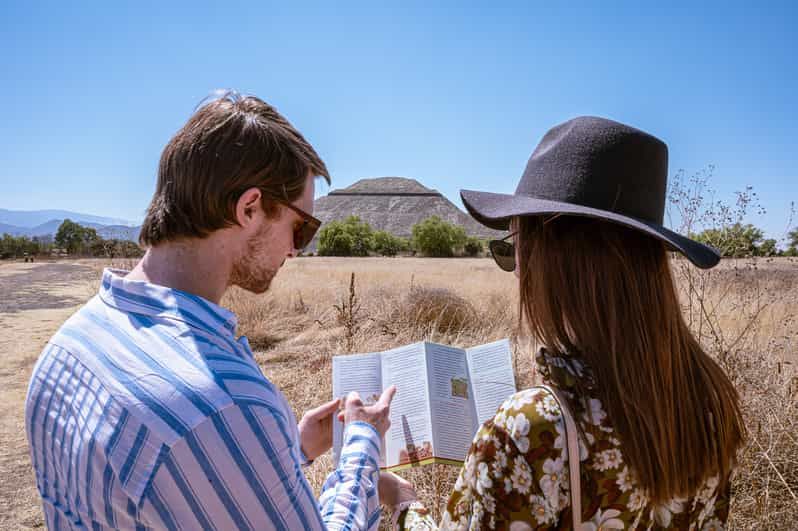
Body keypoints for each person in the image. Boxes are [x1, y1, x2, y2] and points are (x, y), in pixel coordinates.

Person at [24, 91, 398, 530]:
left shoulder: (70, 343)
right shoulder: (224, 405)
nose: (297, 251)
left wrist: (285, 450)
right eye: (302, 228)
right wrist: (361, 444)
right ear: (250, 208)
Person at [386, 116, 745, 529]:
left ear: (555, 259)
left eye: (515, 247)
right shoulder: (711, 398)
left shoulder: (530, 430)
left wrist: (403, 504)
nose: (517, 270)